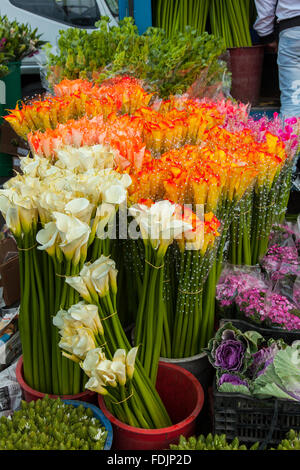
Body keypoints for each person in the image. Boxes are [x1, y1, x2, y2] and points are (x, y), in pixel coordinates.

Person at [254, 0, 300, 118]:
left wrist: (267, 35)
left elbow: (265, 3)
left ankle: (291, 136)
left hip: (293, 30)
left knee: (293, 102)